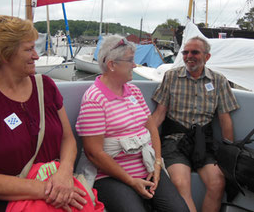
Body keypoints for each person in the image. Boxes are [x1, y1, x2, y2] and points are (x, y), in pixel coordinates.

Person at [0, 15, 89, 212]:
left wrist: (64, 173)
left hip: (59, 191)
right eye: (29, 49)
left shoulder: (47, 86)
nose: (36, 55)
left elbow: (68, 140)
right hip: (11, 203)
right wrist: (48, 188)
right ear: (4, 55)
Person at [76, 35, 189, 212]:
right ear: (112, 65)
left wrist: (157, 164)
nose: (135, 65)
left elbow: (151, 128)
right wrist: (131, 181)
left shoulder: (134, 91)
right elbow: (94, 153)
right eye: (130, 61)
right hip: (109, 176)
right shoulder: (94, 100)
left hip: (148, 167)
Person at [151, 36, 239, 212]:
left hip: (203, 143)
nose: (188, 56)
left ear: (207, 57)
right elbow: (159, 115)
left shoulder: (218, 81)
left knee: (217, 182)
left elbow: (224, 118)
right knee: (180, 183)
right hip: (174, 141)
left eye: (195, 52)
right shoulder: (171, 77)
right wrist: (146, 141)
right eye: (185, 52)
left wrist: (228, 151)